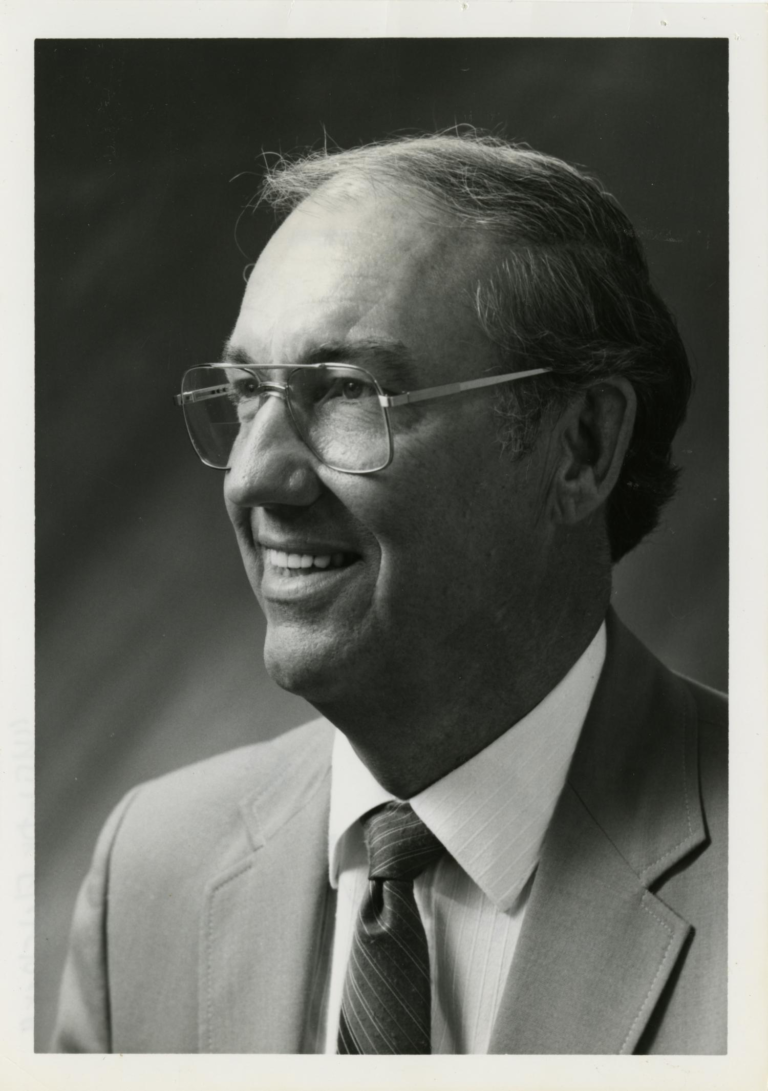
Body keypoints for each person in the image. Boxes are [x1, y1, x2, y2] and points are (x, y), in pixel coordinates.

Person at [51, 132, 727, 1055]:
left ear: (583, 448)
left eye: (345, 391)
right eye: (250, 391)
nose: (255, 477)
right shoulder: (151, 872)